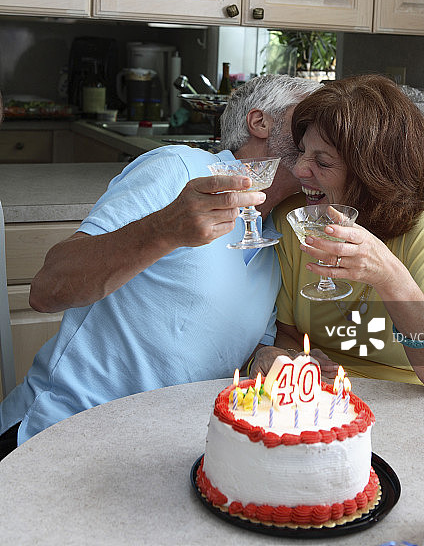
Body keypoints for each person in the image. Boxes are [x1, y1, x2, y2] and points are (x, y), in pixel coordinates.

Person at [0, 74, 317, 456]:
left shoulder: (276, 238)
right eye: (309, 114)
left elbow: (232, 348)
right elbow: (47, 289)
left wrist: (263, 358)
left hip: (161, 454)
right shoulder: (181, 168)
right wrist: (163, 229)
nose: (320, 127)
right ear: (260, 121)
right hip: (58, 434)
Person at [251, 75, 424, 396]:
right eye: (302, 152)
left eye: (322, 162)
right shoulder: (294, 219)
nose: (299, 170)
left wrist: (387, 274)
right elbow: (288, 334)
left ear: (373, 173)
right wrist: (284, 356)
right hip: (319, 399)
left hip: (404, 402)